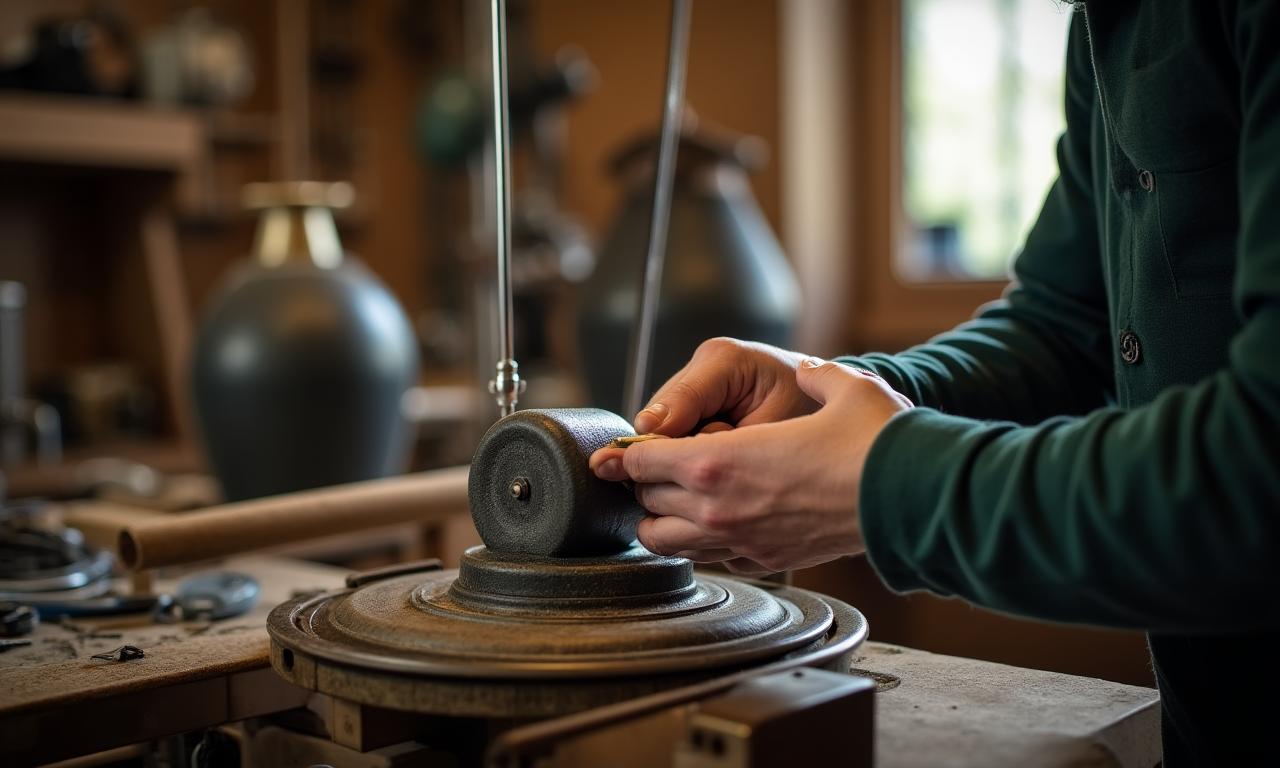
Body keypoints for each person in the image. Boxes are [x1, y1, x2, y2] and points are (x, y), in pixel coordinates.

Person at [588, 2, 1280, 765]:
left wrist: (881, 485)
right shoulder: (1106, 23)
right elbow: (1067, 324)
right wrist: (834, 395)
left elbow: (1260, 467)